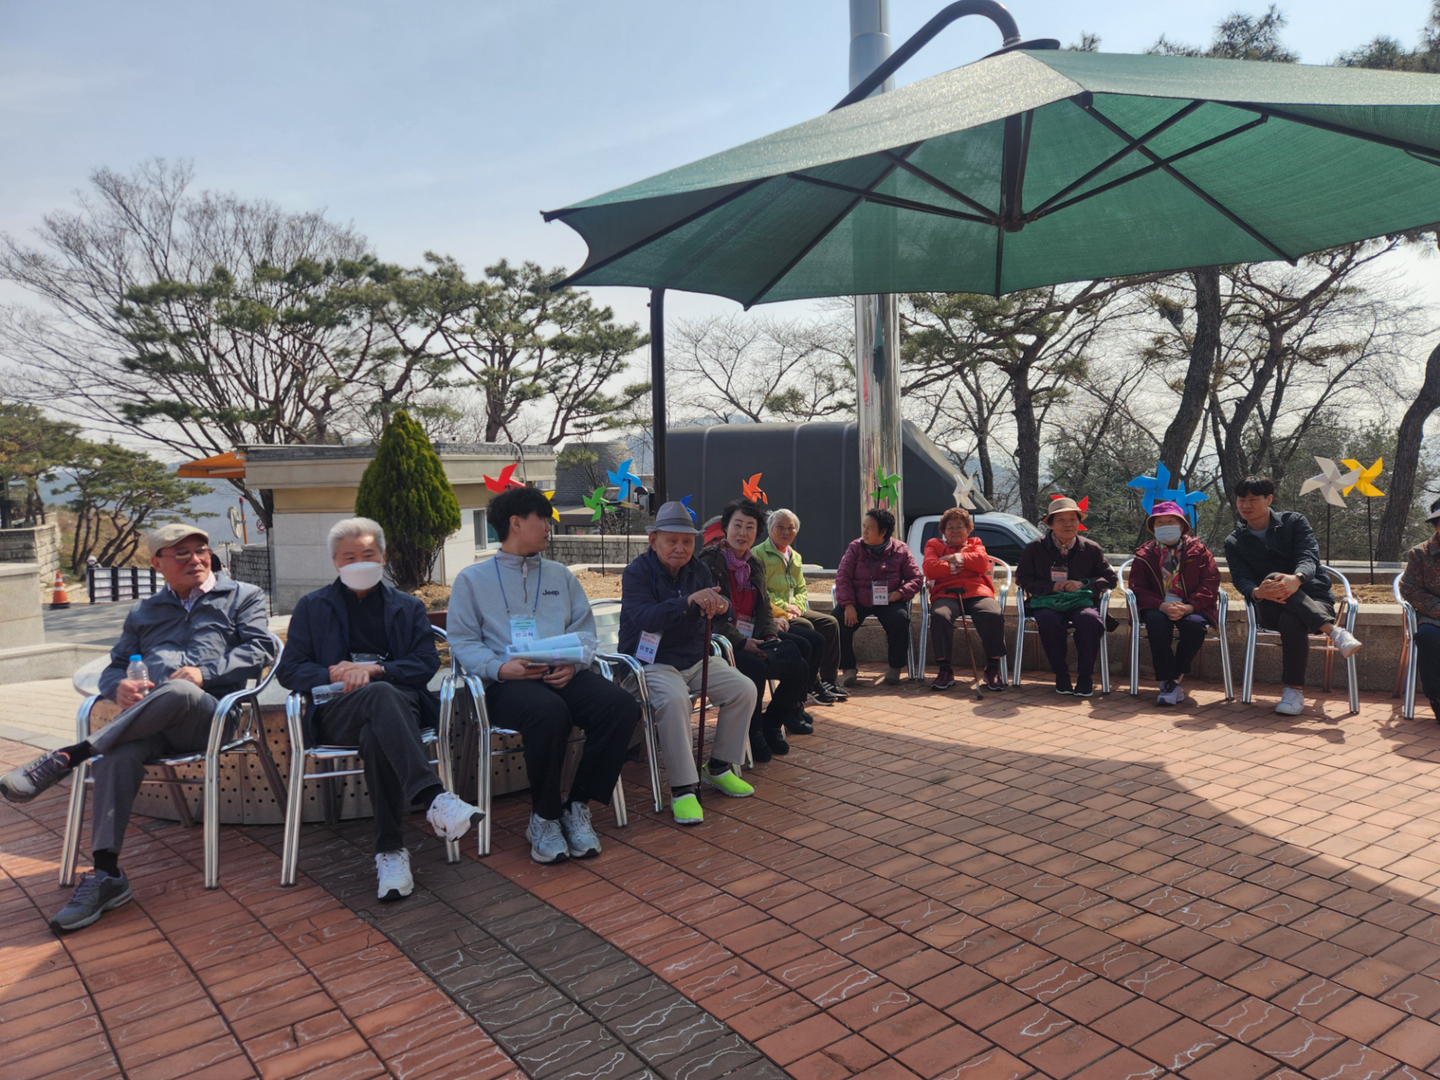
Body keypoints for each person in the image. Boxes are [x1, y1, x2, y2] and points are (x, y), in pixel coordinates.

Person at [0, 523, 277, 933]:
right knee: (116, 754)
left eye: (201, 550)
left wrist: (206, 673)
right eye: (180, 554)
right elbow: (113, 666)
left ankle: (73, 755)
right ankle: (106, 873)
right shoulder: (144, 611)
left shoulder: (242, 596)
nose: (195, 559)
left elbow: (260, 649)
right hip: (152, 723)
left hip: (213, 718)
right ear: (157, 564)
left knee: (181, 689)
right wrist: (119, 687)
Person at [277, 517, 484, 901]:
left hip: (401, 710)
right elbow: (289, 670)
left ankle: (390, 852)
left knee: (378, 721)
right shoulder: (312, 607)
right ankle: (434, 798)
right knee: (378, 697)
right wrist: (334, 672)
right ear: (336, 562)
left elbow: (425, 663)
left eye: (368, 554)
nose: (360, 562)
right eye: (349, 557)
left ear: (383, 557)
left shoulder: (407, 606)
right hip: (336, 710)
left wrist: (376, 670)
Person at [449, 486, 640, 863]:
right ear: (516, 523)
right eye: (543, 519)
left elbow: (585, 631)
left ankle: (577, 804)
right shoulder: (471, 580)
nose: (550, 527)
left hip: (563, 673)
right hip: (508, 683)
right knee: (548, 713)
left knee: (620, 707)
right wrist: (499, 668)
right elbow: (463, 641)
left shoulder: (560, 576)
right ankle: (545, 816)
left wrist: (574, 664)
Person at [620, 500, 758, 824]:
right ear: (654, 540)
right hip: (650, 663)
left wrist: (721, 606)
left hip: (694, 658)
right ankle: (682, 788)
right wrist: (688, 602)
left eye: (686, 540)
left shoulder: (700, 569)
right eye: (672, 540)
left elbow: (724, 611)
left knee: (744, 689)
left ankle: (718, 766)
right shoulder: (636, 572)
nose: (680, 548)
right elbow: (646, 618)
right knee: (674, 699)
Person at [1224, 475, 1362, 716]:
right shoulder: (1234, 541)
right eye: (1241, 500)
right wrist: (1256, 592)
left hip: (1314, 598)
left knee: (1291, 617)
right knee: (1275, 580)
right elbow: (1240, 577)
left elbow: (1309, 556)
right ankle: (1335, 632)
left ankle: (1293, 691)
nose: (1246, 505)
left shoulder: (1294, 522)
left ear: (1269, 499)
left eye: (1253, 499)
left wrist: (1298, 579)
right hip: (1269, 604)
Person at [699, 499, 812, 761]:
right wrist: (741, 642)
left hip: (754, 636)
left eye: (750, 527)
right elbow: (708, 617)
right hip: (723, 642)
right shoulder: (708, 563)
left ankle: (771, 723)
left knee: (799, 663)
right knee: (756, 669)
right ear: (726, 527)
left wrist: (770, 637)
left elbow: (764, 609)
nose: (743, 533)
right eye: (737, 525)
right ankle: (753, 730)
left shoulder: (755, 564)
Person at [1016, 497, 1117, 697]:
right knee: (1048, 620)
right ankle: (1061, 674)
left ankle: (1085, 676)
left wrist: (1084, 583)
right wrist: (1051, 586)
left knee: (1089, 619)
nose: (1068, 524)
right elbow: (1022, 578)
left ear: (1079, 523)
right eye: (1061, 520)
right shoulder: (1035, 548)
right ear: (1051, 524)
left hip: (1080, 601)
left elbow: (1109, 579)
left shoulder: (1091, 548)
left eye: (1073, 519)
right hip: (1048, 601)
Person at [1128, 501, 1221, 707]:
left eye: (1171, 521)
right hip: (1158, 606)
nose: (1165, 526)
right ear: (1153, 528)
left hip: (1191, 606)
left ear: (1182, 526)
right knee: (1156, 623)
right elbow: (1137, 587)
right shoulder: (1144, 555)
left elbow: (1210, 583)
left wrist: (1189, 606)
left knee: (1195, 625)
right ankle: (1172, 682)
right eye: (1160, 523)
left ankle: (1172, 679)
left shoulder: (1200, 552)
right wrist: (1160, 605)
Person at [754, 509, 846, 705]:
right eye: (780, 527)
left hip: (793, 609)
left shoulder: (794, 556)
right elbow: (760, 591)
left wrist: (796, 604)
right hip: (772, 611)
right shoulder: (758, 554)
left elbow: (801, 588)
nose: (786, 532)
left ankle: (829, 680)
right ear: (769, 529)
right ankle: (812, 684)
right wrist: (784, 606)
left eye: (791, 528)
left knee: (830, 622)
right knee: (807, 627)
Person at [922, 507, 1007, 691]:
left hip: (977, 592)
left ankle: (992, 668)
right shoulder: (933, 544)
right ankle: (945, 670)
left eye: (960, 526)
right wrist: (956, 567)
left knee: (992, 613)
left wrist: (957, 557)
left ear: (968, 529)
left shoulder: (976, 543)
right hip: (946, 594)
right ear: (944, 531)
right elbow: (930, 569)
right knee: (940, 615)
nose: (955, 530)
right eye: (950, 527)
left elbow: (982, 563)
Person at [835, 508, 922, 686]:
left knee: (900, 619)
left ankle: (895, 667)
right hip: (858, 600)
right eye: (864, 526)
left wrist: (900, 593)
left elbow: (916, 578)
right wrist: (848, 605)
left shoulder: (900, 549)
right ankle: (848, 667)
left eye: (870, 528)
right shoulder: (855, 548)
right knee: (836, 621)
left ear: (883, 532)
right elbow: (842, 577)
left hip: (889, 600)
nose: (864, 531)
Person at [1401, 497, 1440, 721]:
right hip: (1433, 618)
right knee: (1428, 637)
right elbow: (1410, 590)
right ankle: (1437, 698)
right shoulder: (1420, 554)